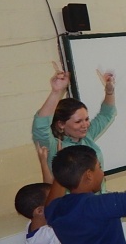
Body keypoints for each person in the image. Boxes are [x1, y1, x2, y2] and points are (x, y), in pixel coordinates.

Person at [32, 62, 116, 193]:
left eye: (86, 119)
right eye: (78, 122)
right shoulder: (53, 146)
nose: (85, 125)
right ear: (61, 124)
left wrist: (109, 91)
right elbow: (40, 127)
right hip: (75, 205)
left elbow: (106, 114)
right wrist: (56, 92)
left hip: (100, 199)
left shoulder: (87, 136)